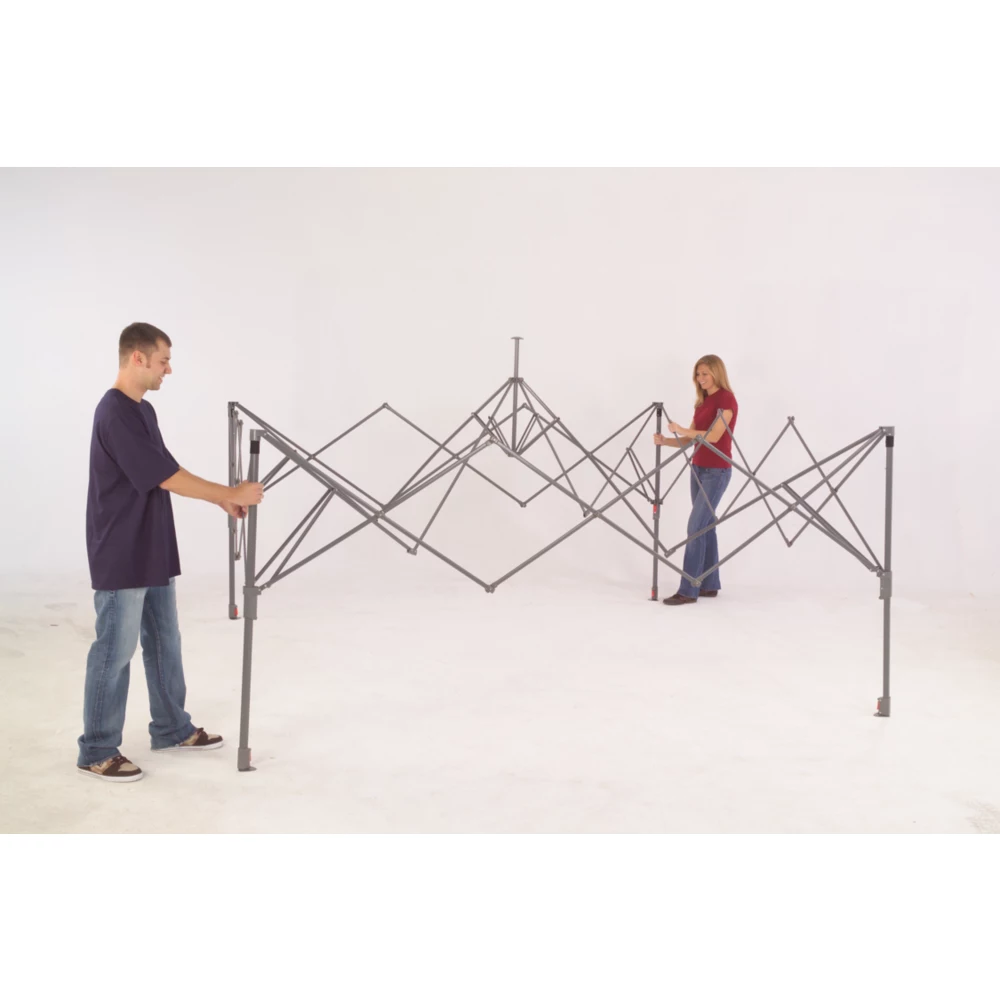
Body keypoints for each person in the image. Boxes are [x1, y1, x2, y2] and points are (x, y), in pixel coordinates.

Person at [77, 323, 264, 782]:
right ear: (137, 358)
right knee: (114, 650)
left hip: (151, 543)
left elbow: (167, 467)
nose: (169, 369)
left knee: (164, 640)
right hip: (121, 549)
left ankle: (171, 728)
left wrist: (220, 500)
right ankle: (96, 749)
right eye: (163, 360)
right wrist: (229, 490)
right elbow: (163, 477)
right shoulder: (114, 412)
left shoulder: (143, 411)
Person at [653, 354, 738, 606]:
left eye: (705, 374)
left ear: (716, 373)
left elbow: (713, 436)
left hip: (717, 472)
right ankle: (709, 584)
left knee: (695, 527)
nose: (700, 378)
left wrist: (682, 428)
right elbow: (691, 440)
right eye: (698, 374)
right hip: (698, 469)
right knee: (705, 526)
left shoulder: (726, 399)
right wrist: (666, 441)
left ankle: (688, 590)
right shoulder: (702, 402)